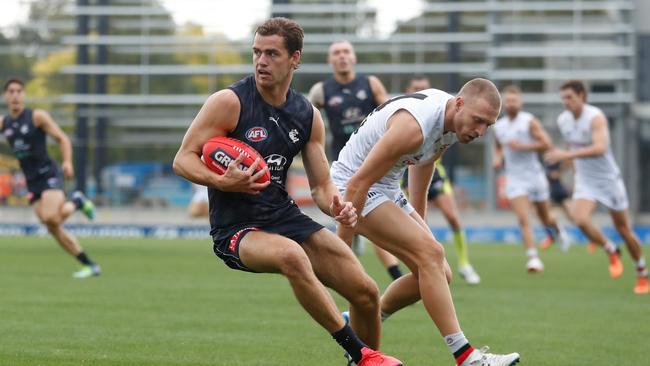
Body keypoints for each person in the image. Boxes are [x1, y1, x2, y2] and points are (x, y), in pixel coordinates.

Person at [172, 18, 401, 365]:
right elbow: (182, 159)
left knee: (366, 293)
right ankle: (363, 355)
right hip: (237, 229)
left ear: (295, 59)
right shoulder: (229, 102)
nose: (261, 61)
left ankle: (365, 362)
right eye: (256, 52)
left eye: (272, 54)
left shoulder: (307, 114)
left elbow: (322, 186)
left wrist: (337, 207)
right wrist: (222, 182)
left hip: (283, 216)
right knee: (291, 256)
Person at [331, 78, 520, 366]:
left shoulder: (453, 123)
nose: (481, 131)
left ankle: (367, 321)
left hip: (386, 189)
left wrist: (422, 231)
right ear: (459, 103)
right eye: (478, 121)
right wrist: (341, 255)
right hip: (352, 188)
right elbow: (358, 183)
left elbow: (424, 163)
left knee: (438, 270)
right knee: (431, 255)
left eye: (488, 126)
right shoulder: (413, 127)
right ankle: (467, 357)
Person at [308, 40, 403, 282]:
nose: (342, 56)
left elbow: (391, 113)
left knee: (364, 218)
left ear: (354, 58)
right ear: (330, 60)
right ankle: (351, 273)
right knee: (353, 220)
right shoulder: (321, 91)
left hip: (374, 163)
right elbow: (307, 120)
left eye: (346, 52)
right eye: (336, 53)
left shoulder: (370, 84)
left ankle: (361, 273)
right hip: (344, 167)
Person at [545, 80, 649, 294]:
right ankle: (611, 250)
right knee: (580, 219)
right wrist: (563, 168)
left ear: (582, 95)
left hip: (608, 180)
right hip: (586, 180)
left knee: (624, 229)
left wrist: (565, 155)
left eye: (570, 97)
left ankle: (641, 272)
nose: (566, 102)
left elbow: (600, 148)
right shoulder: (563, 120)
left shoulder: (595, 117)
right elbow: (571, 149)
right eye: (563, 98)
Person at [1, 77, 99, 278]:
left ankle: (77, 201)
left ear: (24, 95)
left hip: (48, 174)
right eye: (11, 91)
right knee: (52, 227)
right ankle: (89, 264)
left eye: (19, 91)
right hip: (31, 181)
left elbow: (62, 138)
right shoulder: (4, 123)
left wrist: (67, 162)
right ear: (5, 96)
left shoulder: (37, 117)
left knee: (51, 217)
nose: (15, 95)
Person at [402, 76, 480, 285]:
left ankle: (464, 263)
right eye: (416, 87)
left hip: (433, 170)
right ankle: (414, 266)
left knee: (452, 217)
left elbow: (429, 158)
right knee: (415, 225)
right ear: (409, 90)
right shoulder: (408, 121)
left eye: (424, 88)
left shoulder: (446, 116)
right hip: (402, 171)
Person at [492, 85, 570, 272]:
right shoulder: (499, 126)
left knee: (545, 218)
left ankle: (557, 229)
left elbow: (547, 143)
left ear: (521, 102)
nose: (511, 104)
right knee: (523, 217)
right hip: (514, 178)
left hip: (535, 176)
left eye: (514, 100)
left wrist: (522, 147)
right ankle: (533, 258)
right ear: (503, 103)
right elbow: (498, 146)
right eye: (508, 101)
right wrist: (497, 158)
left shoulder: (529, 121)